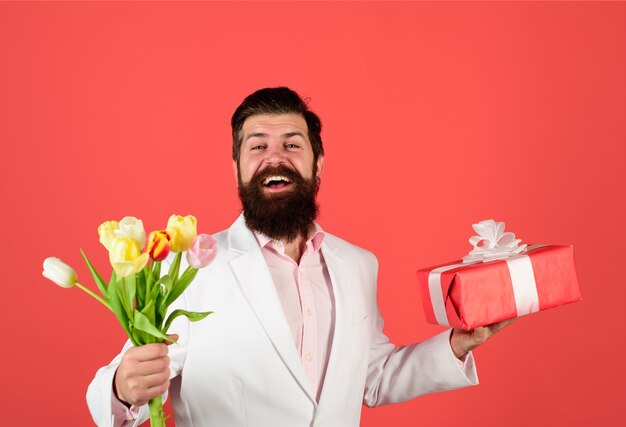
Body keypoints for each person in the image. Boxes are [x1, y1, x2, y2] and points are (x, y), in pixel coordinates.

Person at [87, 87, 512, 427]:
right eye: (257, 147)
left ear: (318, 164)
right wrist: (123, 388)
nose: (275, 157)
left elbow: (373, 377)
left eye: (292, 144)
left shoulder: (359, 265)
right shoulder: (190, 267)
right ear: (236, 166)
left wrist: (457, 346)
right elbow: (124, 391)